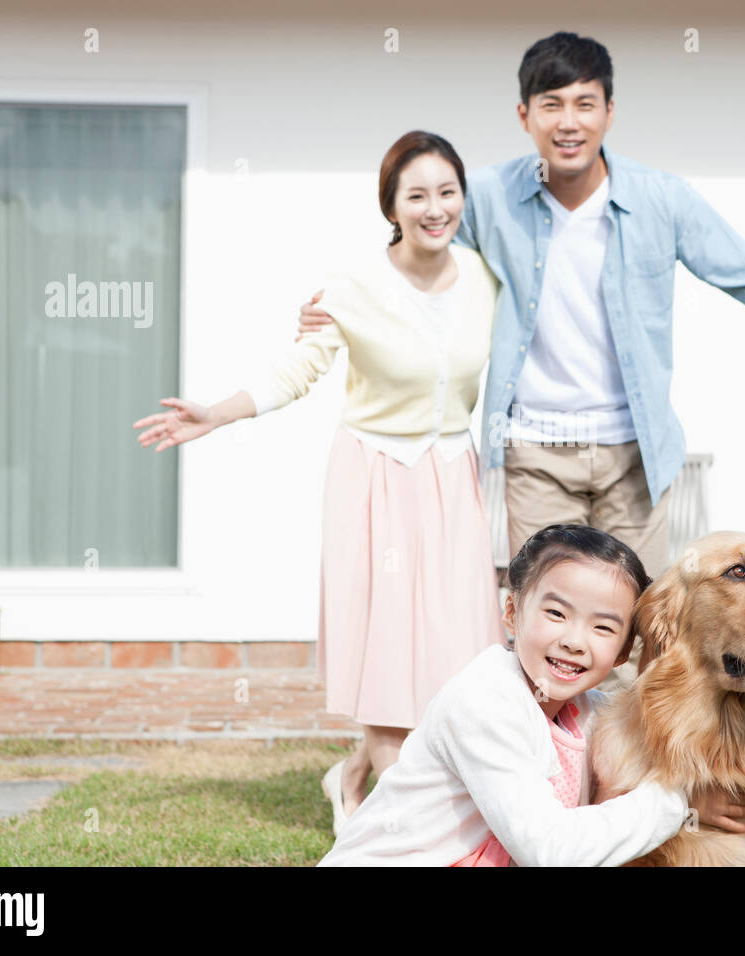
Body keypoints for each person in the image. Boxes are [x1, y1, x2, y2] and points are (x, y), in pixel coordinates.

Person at [296, 32, 745, 673]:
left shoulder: (659, 200)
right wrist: (344, 308)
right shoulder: (491, 197)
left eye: (585, 103)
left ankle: (628, 777)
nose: (569, 121)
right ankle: (550, 778)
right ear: (524, 116)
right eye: (551, 105)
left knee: (642, 627)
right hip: (534, 453)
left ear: (609, 111)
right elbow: (416, 247)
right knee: (550, 628)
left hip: (636, 457)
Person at [132, 130, 506, 826]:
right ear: (391, 207)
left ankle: (352, 776)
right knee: (390, 655)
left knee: (460, 660)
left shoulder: (487, 279)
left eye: (447, 193)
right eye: (416, 195)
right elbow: (297, 370)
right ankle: (402, 830)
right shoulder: (352, 288)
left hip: (454, 477)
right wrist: (217, 412)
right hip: (374, 482)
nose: (435, 208)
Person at [318, 523, 745, 866]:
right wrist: (679, 803)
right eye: (556, 613)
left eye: (603, 626)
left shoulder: (593, 714)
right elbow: (549, 850)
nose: (574, 640)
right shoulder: (484, 702)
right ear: (512, 613)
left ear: (625, 649)